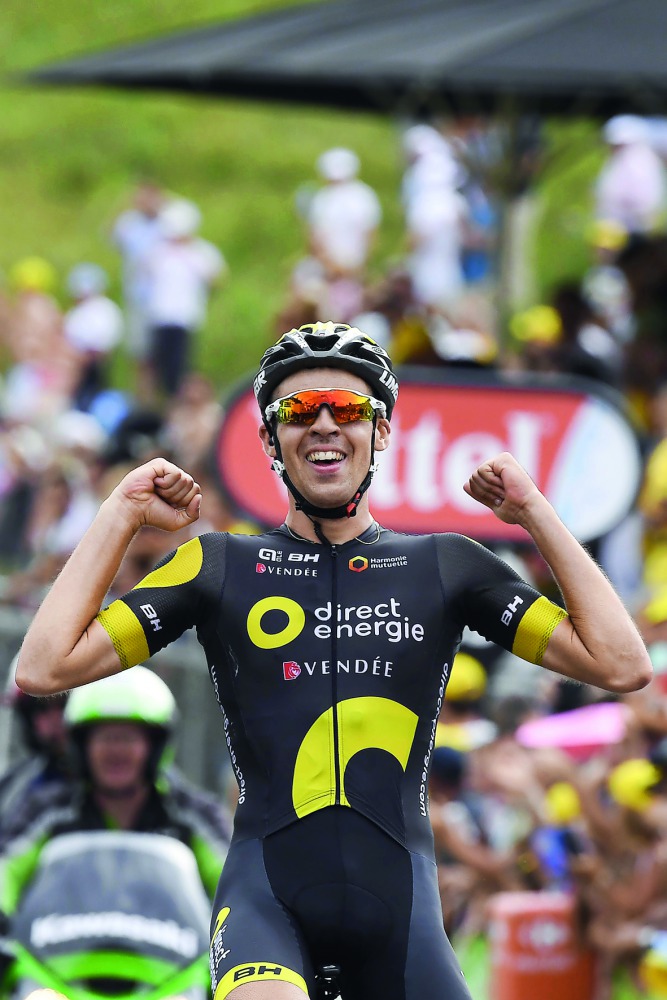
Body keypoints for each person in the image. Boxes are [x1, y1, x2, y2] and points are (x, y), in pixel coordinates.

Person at [15, 321, 652, 1000]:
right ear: (269, 440)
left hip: (401, 914)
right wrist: (120, 514)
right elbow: (43, 667)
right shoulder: (219, 566)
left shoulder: (447, 566)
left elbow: (619, 665)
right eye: (297, 411)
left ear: (379, 433)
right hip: (266, 900)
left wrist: (533, 513)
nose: (322, 424)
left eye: (346, 410)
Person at [0, 665, 231, 917]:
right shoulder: (47, 808)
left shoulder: (192, 813)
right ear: (82, 747)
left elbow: (233, 878)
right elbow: (6, 866)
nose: (116, 750)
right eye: (105, 738)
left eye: (128, 738)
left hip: (171, 955)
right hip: (65, 954)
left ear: (154, 747)